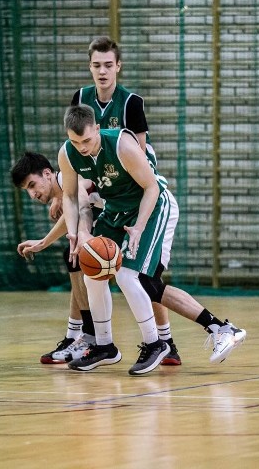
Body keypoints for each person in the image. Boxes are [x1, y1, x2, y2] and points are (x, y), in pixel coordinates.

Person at [59, 104, 246, 375]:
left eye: (87, 140)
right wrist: (78, 232)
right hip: (116, 211)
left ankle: (156, 343)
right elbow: (73, 197)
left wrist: (138, 228)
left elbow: (152, 188)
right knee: (94, 275)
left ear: (97, 129)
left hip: (153, 207)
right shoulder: (68, 153)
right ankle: (104, 346)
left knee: (128, 276)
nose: (82, 147)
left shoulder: (122, 145)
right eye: (76, 142)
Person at [65, 35, 182, 366]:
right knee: (94, 269)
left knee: (139, 275)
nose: (102, 72)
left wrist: (103, 187)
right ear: (89, 67)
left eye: (108, 65)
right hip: (107, 190)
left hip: (136, 188)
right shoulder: (81, 103)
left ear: (118, 66)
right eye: (96, 65)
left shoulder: (130, 102)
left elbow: (140, 160)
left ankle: (162, 340)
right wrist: (78, 224)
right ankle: (102, 344)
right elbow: (75, 179)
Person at [11, 151, 97, 364]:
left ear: (47, 173)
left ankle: (92, 336)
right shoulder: (63, 187)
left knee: (145, 282)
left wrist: (47, 241)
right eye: (27, 190)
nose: (32, 194)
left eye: (32, 185)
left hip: (128, 216)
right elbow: (72, 212)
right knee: (74, 258)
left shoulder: (71, 179)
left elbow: (82, 200)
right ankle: (78, 335)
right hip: (112, 215)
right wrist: (43, 242)